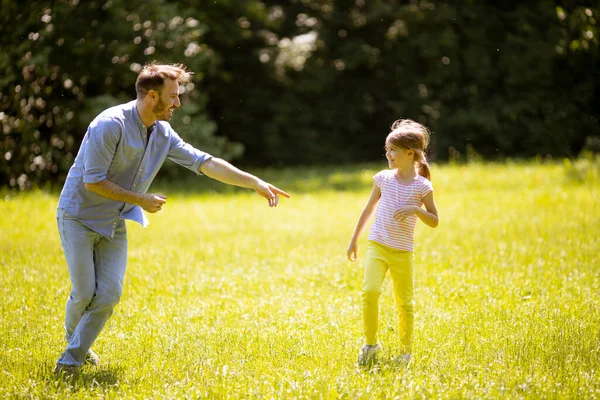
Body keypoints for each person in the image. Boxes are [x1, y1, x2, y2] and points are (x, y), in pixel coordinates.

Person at [54, 62, 290, 374]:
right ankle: (76, 343)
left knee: (109, 294)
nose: (178, 103)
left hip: (113, 221)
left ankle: (70, 360)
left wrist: (254, 182)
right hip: (78, 216)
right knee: (84, 293)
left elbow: (204, 162)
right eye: (173, 96)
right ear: (152, 96)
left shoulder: (162, 132)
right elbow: (92, 181)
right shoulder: (109, 125)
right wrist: (141, 199)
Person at [347, 119, 438, 368]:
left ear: (410, 154)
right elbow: (368, 210)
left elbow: (434, 220)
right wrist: (354, 240)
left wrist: (415, 210)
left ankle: (405, 353)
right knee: (370, 292)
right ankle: (370, 344)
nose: (388, 154)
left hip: (402, 252)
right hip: (377, 245)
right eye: (387, 150)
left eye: (393, 150)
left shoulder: (422, 186)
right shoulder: (383, 179)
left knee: (405, 303)